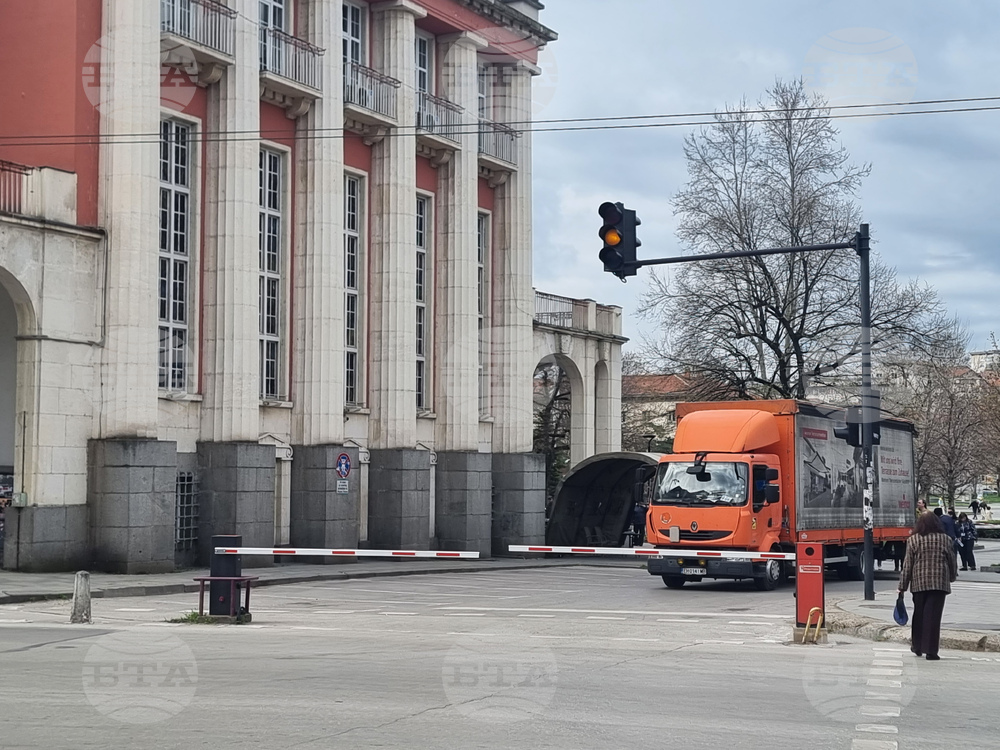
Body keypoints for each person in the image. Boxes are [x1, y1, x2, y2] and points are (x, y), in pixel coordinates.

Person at [898, 511, 957, 660]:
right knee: (933, 617)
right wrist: (951, 576)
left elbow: (907, 565)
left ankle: (917, 646)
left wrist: (902, 586)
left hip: (919, 583)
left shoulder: (913, 540)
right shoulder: (946, 539)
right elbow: (952, 560)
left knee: (919, 614)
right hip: (939, 583)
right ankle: (931, 651)